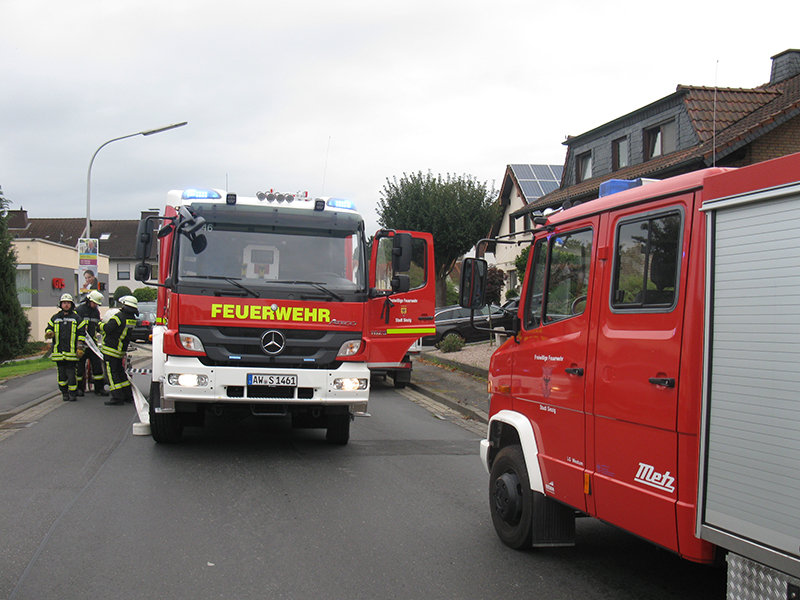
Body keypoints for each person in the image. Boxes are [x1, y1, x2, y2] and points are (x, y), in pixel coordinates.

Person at [44, 293, 86, 402]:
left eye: (68, 303)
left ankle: (73, 393)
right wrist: (49, 333)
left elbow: (81, 334)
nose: (66, 305)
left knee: (71, 374)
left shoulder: (77, 318)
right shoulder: (55, 318)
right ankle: (64, 393)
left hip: (71, 353)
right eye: (64, 303)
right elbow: (49, 328)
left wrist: (80, 348)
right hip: (58, 352)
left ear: (71, 304)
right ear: (60, 304)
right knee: (61, 375)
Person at [100, 295, 138, 406]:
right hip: (120, 350)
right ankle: (127, 395)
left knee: (112, 373)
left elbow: (108, 328)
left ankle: (117, 397)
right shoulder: (132, 319)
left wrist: (99, 325)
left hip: (111, 349)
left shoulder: (119, 317)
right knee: (120, 373)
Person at [75, 290, 109, 396]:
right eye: (95, 303)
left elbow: (97, 326)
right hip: (81, 344)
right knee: (80, 367)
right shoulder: (79, 310)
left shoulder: (96, 312)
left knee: (97, 367)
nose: (96, 305)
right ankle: (80, 388)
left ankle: (99, 388)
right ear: (89, 300)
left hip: (92, 345)